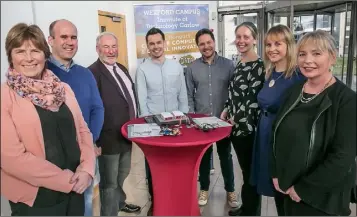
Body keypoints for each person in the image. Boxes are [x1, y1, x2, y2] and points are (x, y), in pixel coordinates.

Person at [1, 23, 95, 216]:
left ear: (45, 54)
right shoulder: (4, 97)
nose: (28, 58)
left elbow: (83, 132)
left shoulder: (63, 89)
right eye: (19, 51)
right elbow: (11, 159)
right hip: (37, 199)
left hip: (75, 190)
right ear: (11, 57)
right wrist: (65, 180)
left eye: (35, 51)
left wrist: (87, 169)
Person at [270, 30, 356, 216]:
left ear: (332, 58)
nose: (307, 60)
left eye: (316, 53)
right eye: (302, 54)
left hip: (320, 197)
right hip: (287, 186)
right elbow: (277, 133)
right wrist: (276, 172)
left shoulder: (347, 100)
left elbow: (342, 156)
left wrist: (303, 189)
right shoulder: (294, 91)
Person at [46, 19, 104, 216]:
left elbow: (97, 109)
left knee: (86, 204)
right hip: (55, 159)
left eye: (73, 37)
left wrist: (92, 141)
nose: (69, 42)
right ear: (50, 40)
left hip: (85, 156)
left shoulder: (85, 74)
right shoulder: (41, 74)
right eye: (63, 37)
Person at [249, 24, 305, 216]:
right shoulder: (270, 73)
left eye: (277, 44)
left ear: (289, 45)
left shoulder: (298, 76)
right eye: (268, 44)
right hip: (265, 134)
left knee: (285, 189)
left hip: (282, 141)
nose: (272, 49)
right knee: (275, 189)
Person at [135, 27, 189, 215]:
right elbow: (142, 100)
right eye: (152, 44)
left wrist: (184, 118)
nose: (156, 46)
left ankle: (175, 197)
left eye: (159, 42)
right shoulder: (142, 69)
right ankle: (155, 201)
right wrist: (149, 125)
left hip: (176, 124)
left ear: (164, 43)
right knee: (153, 164)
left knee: (175, 162)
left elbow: (182, 94)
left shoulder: (176, 67)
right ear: (147, 46)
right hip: (154, 126)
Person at [88, 32, 141, 216]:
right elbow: (89, 109)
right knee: (109, 184)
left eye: (114, 47)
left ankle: (119, 202)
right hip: (107, 139)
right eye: (106, 47)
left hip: (127, 135)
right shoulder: (92, 73)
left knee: (123, 174)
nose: (111, 51)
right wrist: (94, 140)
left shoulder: (121, 68)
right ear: (98, 49)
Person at [186, 28, 238, 208]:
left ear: (214, 42)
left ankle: (231, 191)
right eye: (202, 44)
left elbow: (235, 92)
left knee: (226, 156)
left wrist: (230, 112)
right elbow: (189, 95)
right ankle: (205, 189)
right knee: (204, 158)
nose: (206, 46)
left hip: (223, 121)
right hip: (201, 123)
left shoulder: (228, 65)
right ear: (198, 46)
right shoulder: (192, 68)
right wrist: (193, 118)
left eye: (209, 42)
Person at [220, 22, 265, 216]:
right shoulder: (240, 62)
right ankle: (246, 208)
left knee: (250, 174)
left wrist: (236, 118)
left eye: (246, 37)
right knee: (246, 173)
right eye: (238, 36)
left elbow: (253, 101)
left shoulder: (259, 66)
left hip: (248, 129)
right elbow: (236, 94)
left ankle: (251, 212)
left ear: (254, 39)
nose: (241, 41)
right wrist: (226, 109)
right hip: (235, 128)